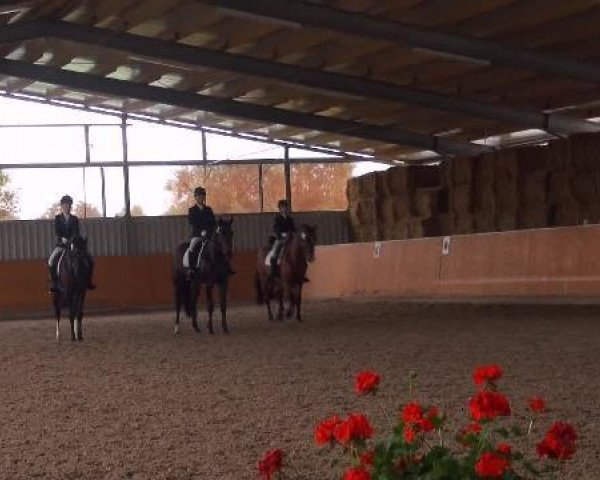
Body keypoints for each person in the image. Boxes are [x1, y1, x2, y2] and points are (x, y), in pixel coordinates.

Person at [48, 195, 96, 293]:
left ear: (71, 206)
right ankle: (54, 283)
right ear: (62, 206)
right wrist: (62, 238)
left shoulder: (75, 219)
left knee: (89, 259)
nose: (67, 207)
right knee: (51, 261)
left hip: (73, 244)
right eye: (65, 205)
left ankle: (88, 281)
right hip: (61, 245)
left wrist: (71, 240)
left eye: (69, 205)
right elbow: (57, 231)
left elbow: (76, 232)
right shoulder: (58, 218)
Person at [183, 186, 235, 276]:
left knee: (222, 245)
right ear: (195, 197)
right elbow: (192, 223)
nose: (201, 197)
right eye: (199, 196)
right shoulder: (192, 210)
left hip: (210, 235)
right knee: (192, 247)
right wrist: (201, 232)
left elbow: (213, 222)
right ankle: (191, 269)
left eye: (202, 196)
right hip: (197, 235)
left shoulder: (208, 209)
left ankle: (227, 267)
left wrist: (213, 230)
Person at [269, 199, 308, 282]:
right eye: (283, 207)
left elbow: (294, 229)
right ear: (280, 209)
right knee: (275, 250)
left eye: (286, 207)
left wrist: (299, 235)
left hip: (290, 239)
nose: (285, 209)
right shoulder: (277, 219)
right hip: (280, 238)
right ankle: (273, 271)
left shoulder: (290, 219)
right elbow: (276, 230)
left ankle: (301, 273)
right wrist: (284, 234)